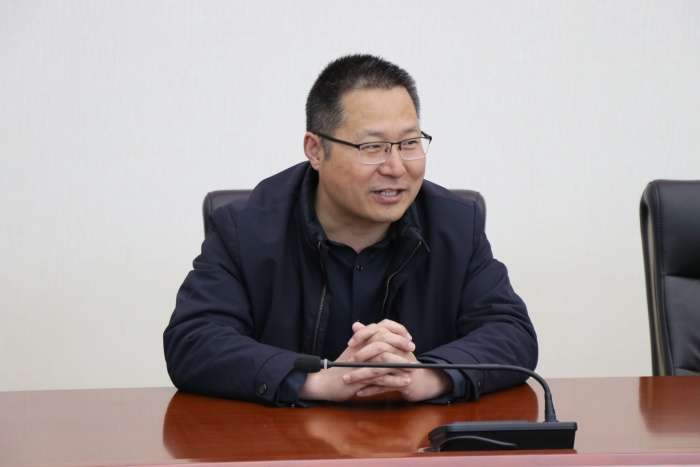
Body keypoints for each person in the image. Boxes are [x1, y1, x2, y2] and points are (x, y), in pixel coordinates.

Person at [163, 54, 537, 406]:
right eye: (372, 147)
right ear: (315, 150)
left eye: (409, 143)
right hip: (284, 441)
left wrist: (428, 375)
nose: (396, 167)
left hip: (418, 441)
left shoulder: (455, 224)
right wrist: (318, 381)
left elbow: (511, 332)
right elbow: (193, 342)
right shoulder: (245, 228)